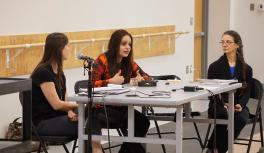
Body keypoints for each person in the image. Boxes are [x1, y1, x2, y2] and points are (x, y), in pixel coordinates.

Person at [31, 32, 102, 153]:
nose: (69, 48)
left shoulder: (59, 72)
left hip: (58, 118)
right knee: (88, 123)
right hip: (42, 123)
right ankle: (96, 150)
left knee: (90, 119)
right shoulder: (43, 72)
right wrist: (80, 105)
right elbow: (57, 104)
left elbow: (64, 101)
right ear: (59, 48)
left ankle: (95, 150)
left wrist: (69, 111)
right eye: (67, 45)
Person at [92, 29, 150, 153]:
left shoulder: (129, 62)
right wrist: (109, 81)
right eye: (123, 44)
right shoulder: (102, 60)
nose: (127, 47)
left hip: (121, 107)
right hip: (102, 109)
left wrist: (141, 79)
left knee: (143, 122)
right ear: (115, 45)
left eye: (129, 44)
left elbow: (147, 77)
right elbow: (91, 85)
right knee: (133, 125)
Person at [206, 30, 253, 153]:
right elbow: (211, 92)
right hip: (218, 104)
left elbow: (247, 92)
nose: (224, 45)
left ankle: (216, 149)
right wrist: (224, 104)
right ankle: (215, 149)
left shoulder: (247, 69)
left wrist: (241, 105)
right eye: (222, 42)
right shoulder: (214, 66)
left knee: (241, 119)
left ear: (237, 45)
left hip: (237, 105)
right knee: (223, 114)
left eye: (228, 42)